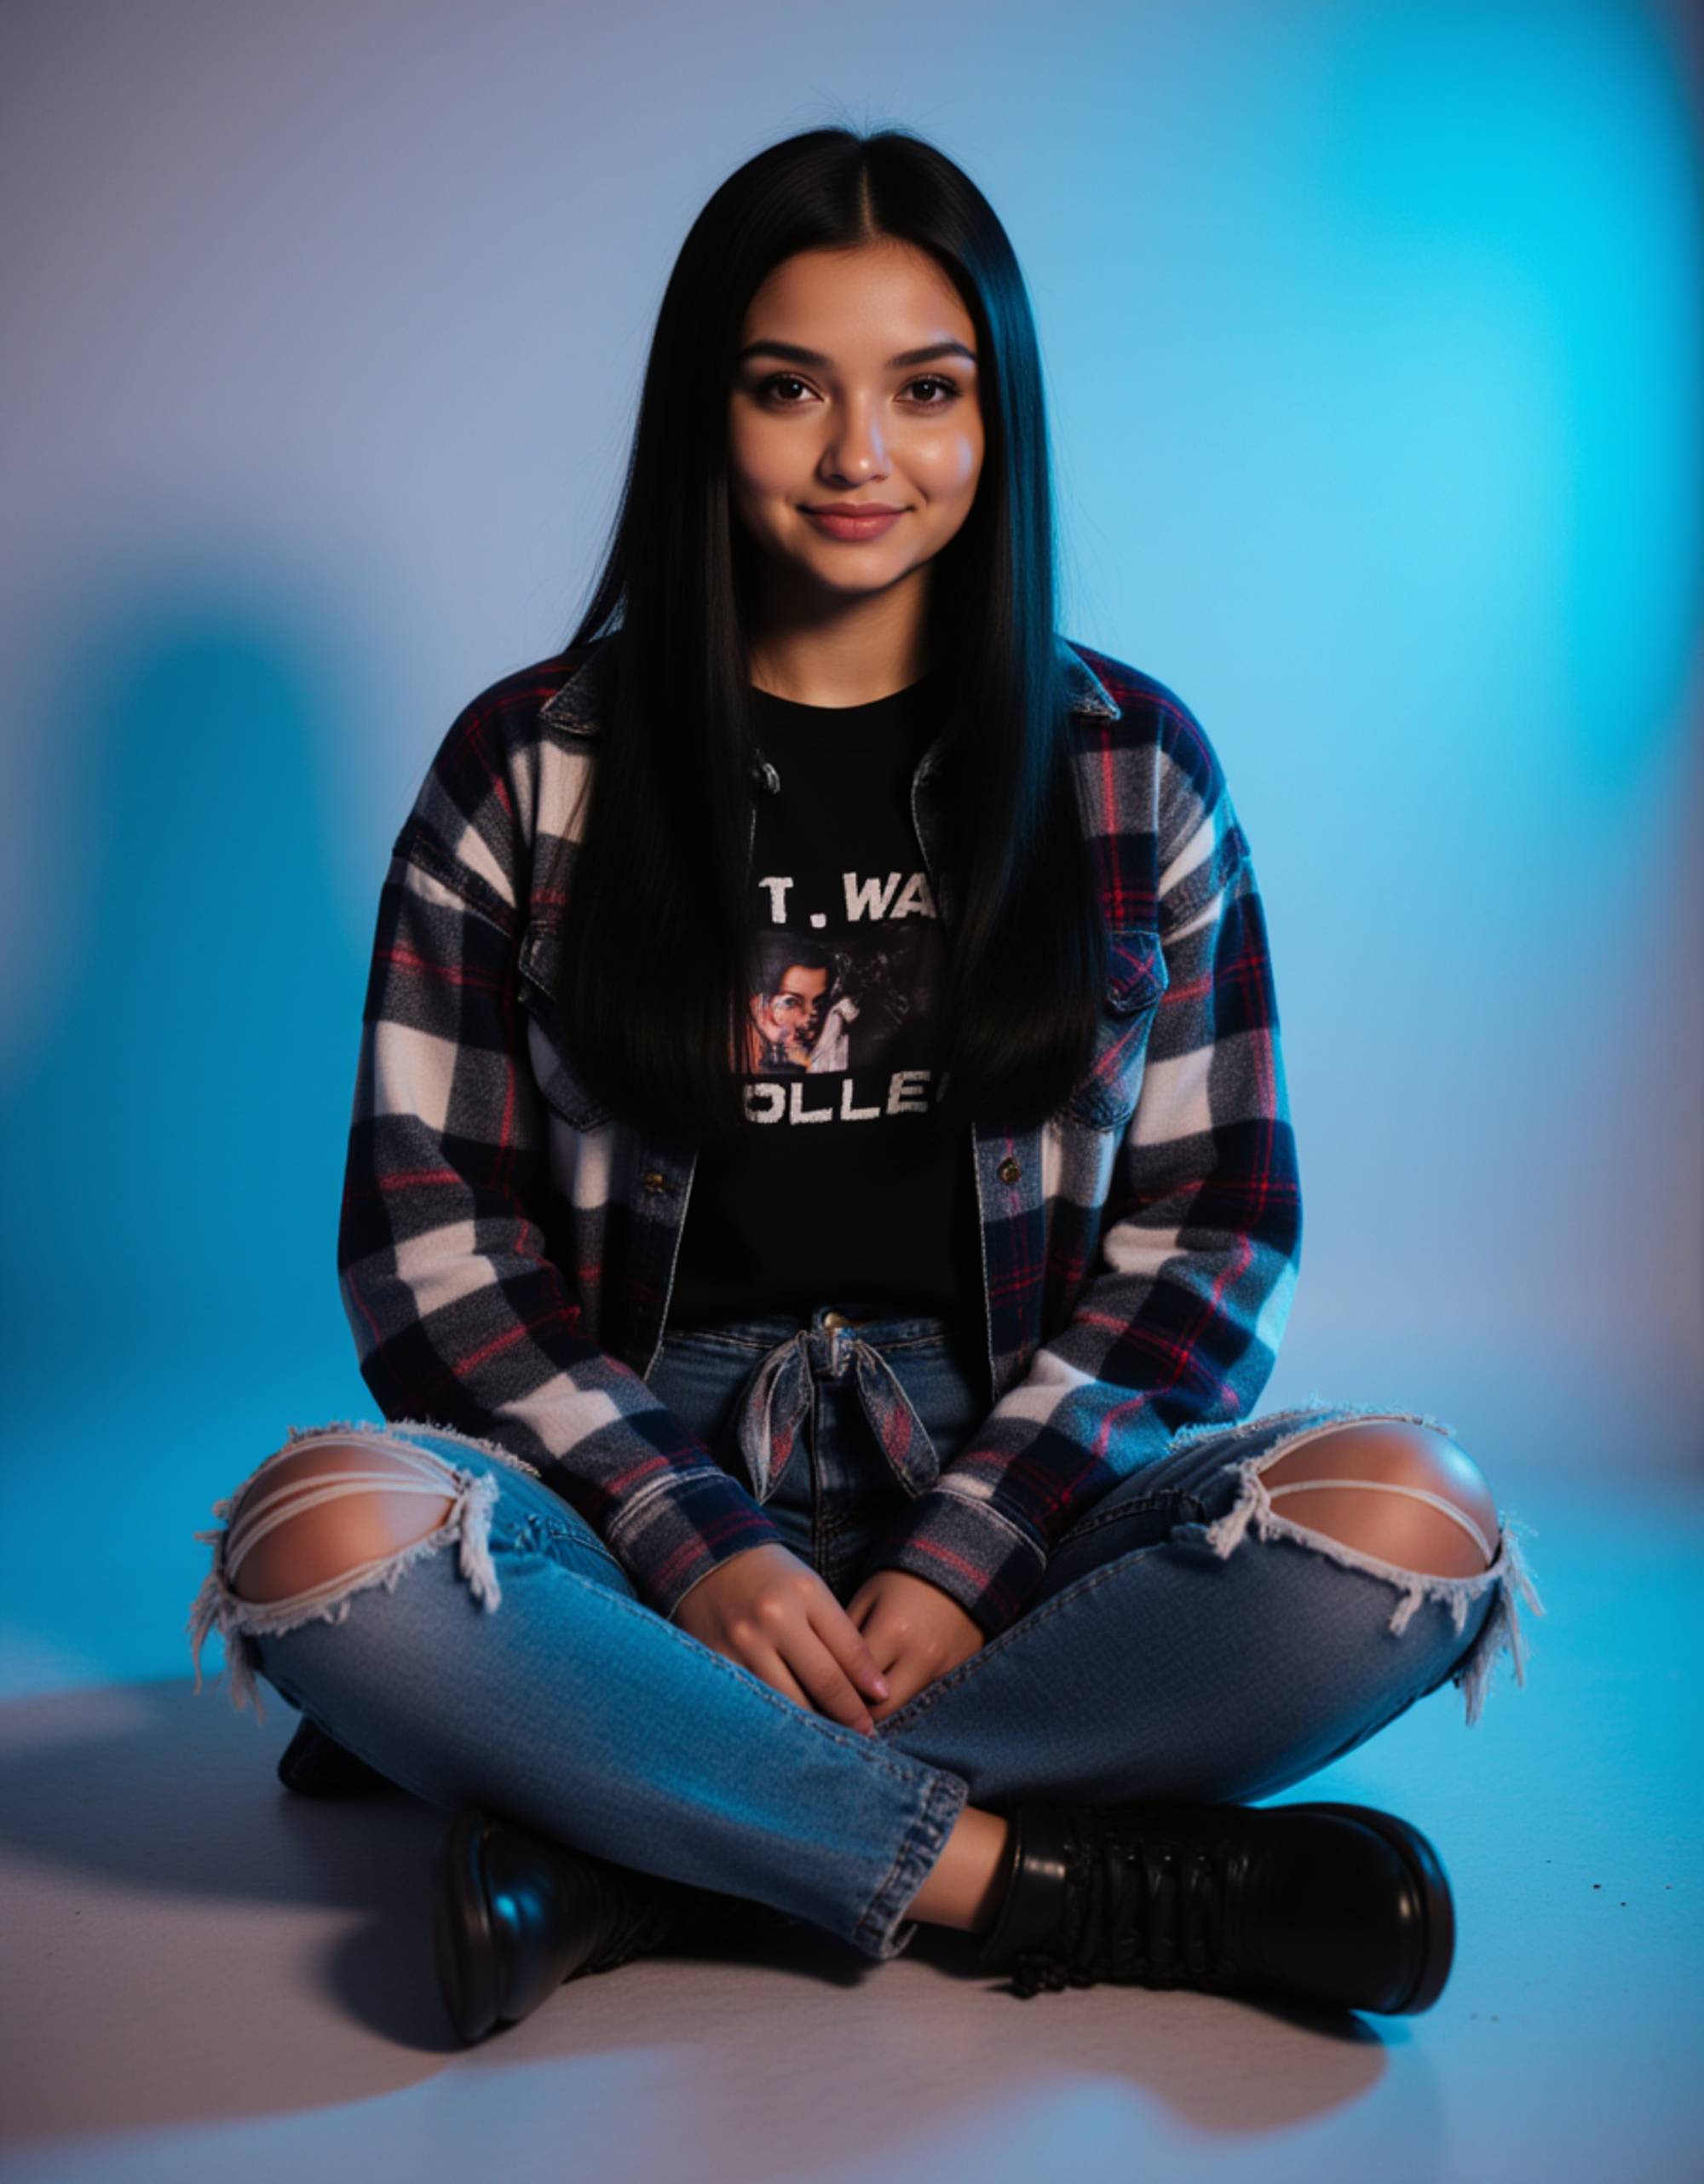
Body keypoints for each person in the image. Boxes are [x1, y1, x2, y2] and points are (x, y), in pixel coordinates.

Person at [186, 124, 1546, 2045]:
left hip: (1017, 1480)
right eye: (785, 389)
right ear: (702, 415)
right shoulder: (528, 770)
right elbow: (436, 1250)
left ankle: (625, 1834)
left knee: (1417, 1521)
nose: (858, 458)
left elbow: (1210, 1226)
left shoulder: (1126, 767)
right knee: (311, 1543)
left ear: (997, 425)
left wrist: (974, 1551)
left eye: (926, 390)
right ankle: (1045, 1879)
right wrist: (694, 1537)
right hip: (626, 1497)